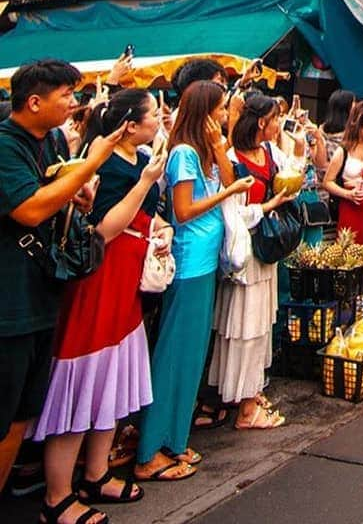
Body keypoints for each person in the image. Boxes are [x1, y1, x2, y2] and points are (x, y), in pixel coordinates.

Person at [34, 91, 171, 523]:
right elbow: (103, 231)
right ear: (129, 125)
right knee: (83, 381)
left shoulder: (140, 157)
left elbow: (149, 215)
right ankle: (57, 496)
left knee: (113, 381)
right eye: (154, 113)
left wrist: (159, 228)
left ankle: (96, 473)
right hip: (99, 280)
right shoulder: (106, 164)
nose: (160, 119)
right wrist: (147, 182)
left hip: (127, 283)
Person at [0, 60, 126, 499]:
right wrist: (91, 165)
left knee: (22, 414)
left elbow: (59, 191)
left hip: (44, 293)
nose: (74, 104)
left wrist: (79, 190)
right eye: (65, 97)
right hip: (10, 303)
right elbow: (30, 209)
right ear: (34, 102)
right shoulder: (5, 146)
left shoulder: (52, 140)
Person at [135, 82, 254, 483]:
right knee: (173, 357)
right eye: (220, 109)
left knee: (190, 357)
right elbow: (183, 211)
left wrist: (220, 146)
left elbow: (225, 174)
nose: (224, 115)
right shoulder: (184, 154)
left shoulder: (202, 151)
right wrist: (228, 194)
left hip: (204, 264)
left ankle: (173, 439)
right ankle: (151, 449)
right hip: (187, 265)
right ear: (203, 111)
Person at [210, 94, 297, 431]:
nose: (280, 124)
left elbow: (293, 170)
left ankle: (251, 392)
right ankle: (245, 406)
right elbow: (231, 214)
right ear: (262, 122)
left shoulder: (271, 153)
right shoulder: (233, 160)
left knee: (261, 327)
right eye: (276, 118)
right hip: (246, 255)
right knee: (245, 328)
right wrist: (268, 205)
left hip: (267, 253)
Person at [323, 100, 363, 257]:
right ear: (359, 123)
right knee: (349, 252)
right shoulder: (344, 149)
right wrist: (347, 194)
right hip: (350, 204)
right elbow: (327, 182)